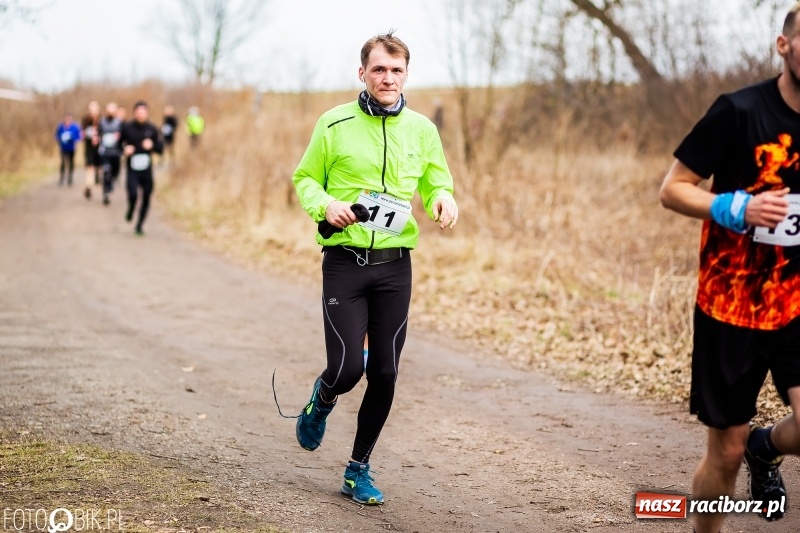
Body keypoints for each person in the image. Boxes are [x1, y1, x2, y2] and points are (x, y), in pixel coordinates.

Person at [291, 31, 458, 506]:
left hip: (394, 267)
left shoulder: (422, 130)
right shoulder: (333, 124)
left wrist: (444, 200)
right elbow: (305, 178)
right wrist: (326, 205)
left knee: (384, 372)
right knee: (345, 370)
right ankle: (321, 400)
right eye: (379, 69)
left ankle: (357, 469)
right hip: (345, 262)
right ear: (362, 72)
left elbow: (436, 181)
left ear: (407, 74)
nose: (388, 78)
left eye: (397, 70)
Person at [659, 4, 800, 531]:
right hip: (732, 305)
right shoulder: (738, 111)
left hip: (796, 301)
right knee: (726, 453)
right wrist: (736, 206)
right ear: (783, 46)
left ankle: (768, 448)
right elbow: (671, 190)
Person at [120, 101, 163, 236]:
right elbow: (118, 144)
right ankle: (131, 209)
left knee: (146, 197)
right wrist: (125, 149)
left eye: (143, 112)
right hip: (132, 168)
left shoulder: (153, 128)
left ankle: (139, 225)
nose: (141, 114)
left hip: (146, 169)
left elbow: (160, 149)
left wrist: (152, 146)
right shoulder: (127, 128)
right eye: (138, 112)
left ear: (147, 113)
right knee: (133, 194)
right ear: (134, 113)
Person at [97, 102, 123, 205]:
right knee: (106, 172)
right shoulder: (102, 122)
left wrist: (119, 137)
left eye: (113, 110)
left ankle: (112, 183)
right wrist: (97, 138)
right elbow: (98, 133)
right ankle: (106, 193)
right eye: (109, 110)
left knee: (115, 172)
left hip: (116, 152)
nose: (110, 112)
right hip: (105, 152)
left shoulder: (119, 123)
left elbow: (124, 136)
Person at [81, 101, 101, 200]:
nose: (93, 111)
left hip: (100, 148)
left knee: (99, 167)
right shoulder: (85, 120)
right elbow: (82, 133)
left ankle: (99, 180)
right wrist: (86, 135)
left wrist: (98, 138)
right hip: (89, 148)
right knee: (90, 167)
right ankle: (88, 187)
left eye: (95, 109)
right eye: (91, 109)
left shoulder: (101, 121)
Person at [54, 112, 81, 186]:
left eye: (69, 119)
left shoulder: (75, 127)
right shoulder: (60, 127)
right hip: (63, 148)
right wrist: (58, 140)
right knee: (63, 162)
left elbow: (79, 137)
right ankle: (62, 178)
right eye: (66, 119)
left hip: (71, 148)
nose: (68, 120)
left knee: (71, 163)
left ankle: (70, 178)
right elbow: (56, 135)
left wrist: (73, 139)